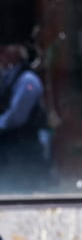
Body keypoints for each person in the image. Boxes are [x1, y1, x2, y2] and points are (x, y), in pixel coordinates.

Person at [0, 41, 50, 192]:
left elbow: (16, 117)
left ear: (14, 55)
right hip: (10, 151)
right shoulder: (7, 78)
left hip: (24, 149)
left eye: (3, 52)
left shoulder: (27, 80)